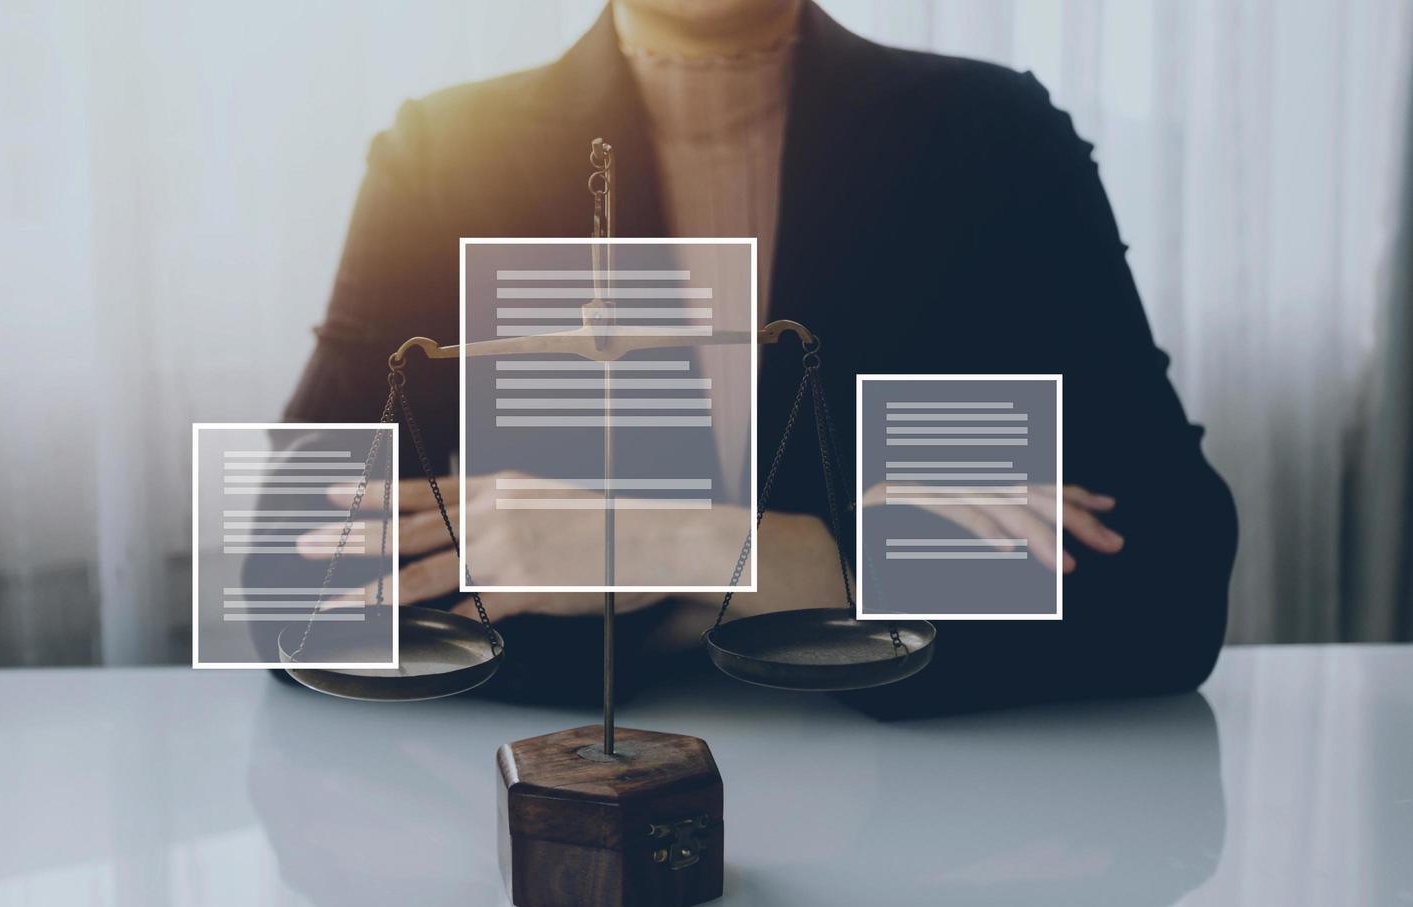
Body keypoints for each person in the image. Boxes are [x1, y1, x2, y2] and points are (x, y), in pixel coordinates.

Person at [278, 0, 1239, 715]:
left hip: (937, 833)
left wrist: (672, 545)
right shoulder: (447, 153)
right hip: (563, 829)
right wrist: (863, 568)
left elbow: (1164, 587)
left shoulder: (987, 139)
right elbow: (285, 582)